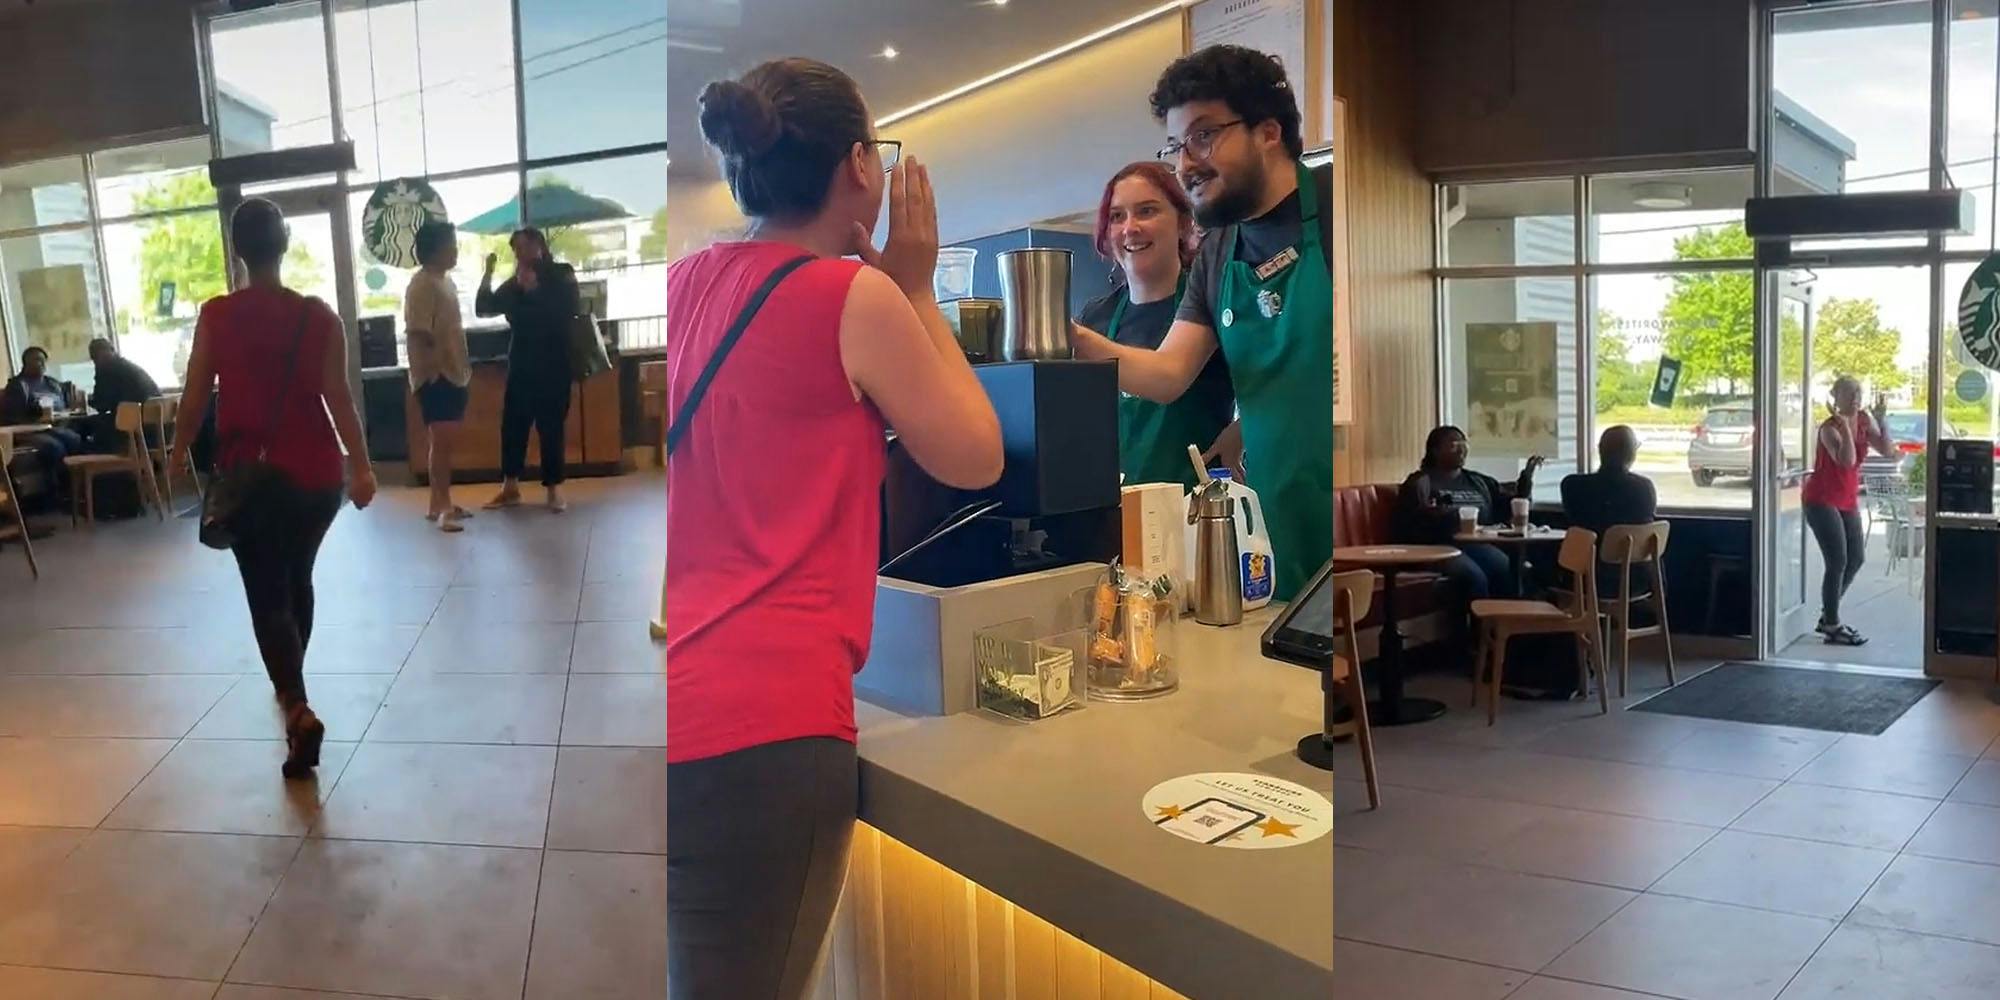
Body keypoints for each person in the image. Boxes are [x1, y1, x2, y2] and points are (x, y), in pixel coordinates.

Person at [665, 58, 1002, 1000]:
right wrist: (916, 290)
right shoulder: (850, 297)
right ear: (860, 166)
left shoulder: (686, 281)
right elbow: (975, 455)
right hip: (764, 734)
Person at [1070, 45, 1332, 600]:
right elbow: (1168, 375)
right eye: (1176, 145)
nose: (1186, 162)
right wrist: (1065, 336)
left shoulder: (1342, 209)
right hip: (1269, 525)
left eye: (1203, 136)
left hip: (1344, 509)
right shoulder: (1218, 253)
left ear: (1267, 131)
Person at [170, 197, 378, 779]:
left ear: (237, 249)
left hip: (251, 479)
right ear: (283, 245)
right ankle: (294, 681)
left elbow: (193, 398)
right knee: (298, 578)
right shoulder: (320, 316)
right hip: (316, 478)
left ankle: (296, 706)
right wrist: (361, 467)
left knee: (267, 595)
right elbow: (340, 399)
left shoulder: (216, 315)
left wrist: (175, 456)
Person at [1072, 161, 1235, 488]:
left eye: (1146, 211)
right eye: (1117, 216)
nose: (1130, 228)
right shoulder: (1095, 317)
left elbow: (1275, 378)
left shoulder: (1211, 303)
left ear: (1183, 223)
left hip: (1197, 507)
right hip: (1114, 505)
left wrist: (1243, 431)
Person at [476, 226, 577, 512]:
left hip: (555, 364)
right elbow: (483, 307)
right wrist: (488, 272)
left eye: (523, 246)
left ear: (539, 245)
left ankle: (554, 489)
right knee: (513, 427)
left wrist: (534, 291)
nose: (519, 253)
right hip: (521, 364)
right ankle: (510, 487)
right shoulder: (513, 284)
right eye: (515, 249)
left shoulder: (562, 274)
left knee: (551, 427)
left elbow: (567, 310)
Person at [1398, 425, 1543, 602]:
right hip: (1440, 547)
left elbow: (1508, 504)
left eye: (1464, 443)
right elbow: (1409, 523)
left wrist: (1526, 480)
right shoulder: (1421, 483)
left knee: (1508, 570)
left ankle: (1504, 625)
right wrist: (1438, 517)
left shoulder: (1478, 481)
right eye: (1453, 444)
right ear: (1435, 451)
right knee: (1474, 578)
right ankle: (1475, 629)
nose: (1461, 449)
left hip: (1476, 544)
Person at [1803, 376, 1894, 646]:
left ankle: (1827, 616)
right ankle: (1832, 624)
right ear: (1837, 397)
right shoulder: (1829, 428)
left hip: (1846, 499)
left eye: (1859, 391)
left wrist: (1882, 421)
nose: (1856, 397)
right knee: (1838, 561)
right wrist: (1844, 426)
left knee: (1856, 558)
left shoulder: (1865, 421)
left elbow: (1888, 450)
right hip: (1821, 499)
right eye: (1849, 392)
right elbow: (1847, 461)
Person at [405, 220, 473, 532]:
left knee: (445, 442)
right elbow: (419, 332)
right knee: (441, 441)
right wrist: (432, 372)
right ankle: (442, 506)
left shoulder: (445, 282)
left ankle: (439, 502)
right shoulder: (421, 285)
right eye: (451, 245)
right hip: (437, 375)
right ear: (435, 249)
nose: (455, 250)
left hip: (455, 370)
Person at [2, 346, 87, 490]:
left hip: (53, 426)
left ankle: (77, 489)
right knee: (54, 447)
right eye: (36, 360)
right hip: (28, 430)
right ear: (26, 363)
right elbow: (13, 417)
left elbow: (65, 407)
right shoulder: (18, 386)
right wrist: (36, 418)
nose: (41, 364)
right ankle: (57, 491)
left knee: (75, 439)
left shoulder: (52, 383)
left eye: (43, 361)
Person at [1561, 426, 1657, 537]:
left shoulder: (1572, 486)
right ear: (1631, 454)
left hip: (1586, 553)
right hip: (1634, 554)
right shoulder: (1644, 488)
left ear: (1600, 449)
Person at [86, 338, 161, 450]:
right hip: (158, 433)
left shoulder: (107, 369)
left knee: (85, 428)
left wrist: (88, 400)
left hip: (135, 434)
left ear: (94, 358)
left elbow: (101, 405)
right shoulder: (128, 366)